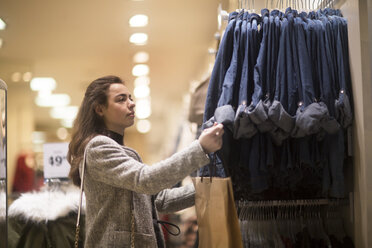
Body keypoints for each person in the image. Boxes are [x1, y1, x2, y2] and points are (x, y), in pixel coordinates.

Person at [67, 75, 224, 248]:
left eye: (130, 98)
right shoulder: (98, 147)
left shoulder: (119, 151)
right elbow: (146, 179)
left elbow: (160, 200)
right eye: (121, 99)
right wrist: (200, 148)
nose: (131, 103)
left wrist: (209, 187)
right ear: (99, 109)